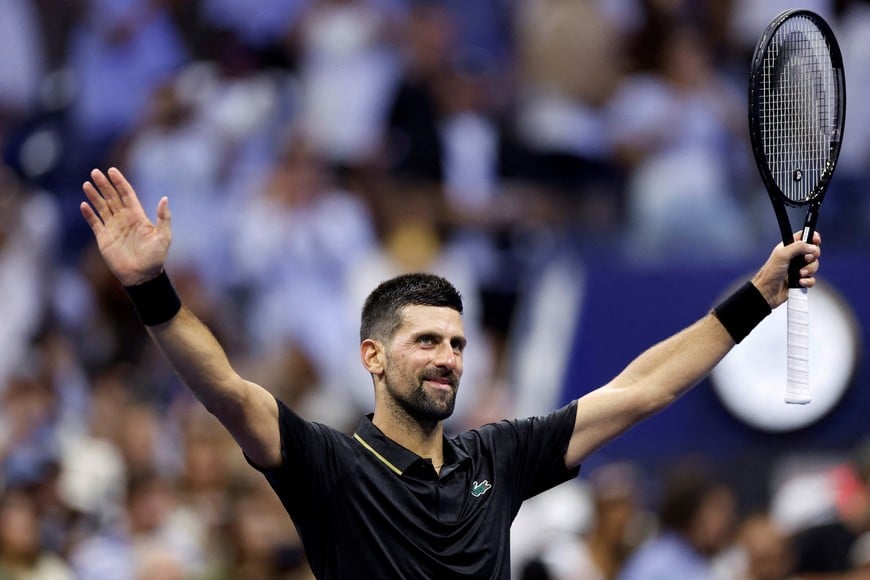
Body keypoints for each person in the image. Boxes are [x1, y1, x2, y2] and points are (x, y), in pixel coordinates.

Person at [78, 167, 822, 579]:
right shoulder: (330, 463)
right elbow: (227, 392)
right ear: (372, 356)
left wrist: (758, 295)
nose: (449, 359)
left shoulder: (496, 457)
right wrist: (150, 287)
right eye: (428, 341)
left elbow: (642, 389)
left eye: (459, 345)